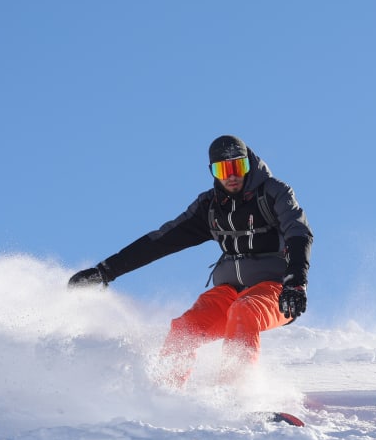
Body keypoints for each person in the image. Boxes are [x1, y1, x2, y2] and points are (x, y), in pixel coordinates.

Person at [68, 135, 313, 386]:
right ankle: (164, 394)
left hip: (275, 290)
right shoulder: (210, 206)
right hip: (228, 292)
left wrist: (295, 283)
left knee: (245, 310)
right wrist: (106, 271)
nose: (231, 176)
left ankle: (237, 395)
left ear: (248, 164)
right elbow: (161, 241)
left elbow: (298, 233)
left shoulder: (273, 193)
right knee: (185, 327)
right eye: (222, 169)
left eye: (237, 167)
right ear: (212, 172)